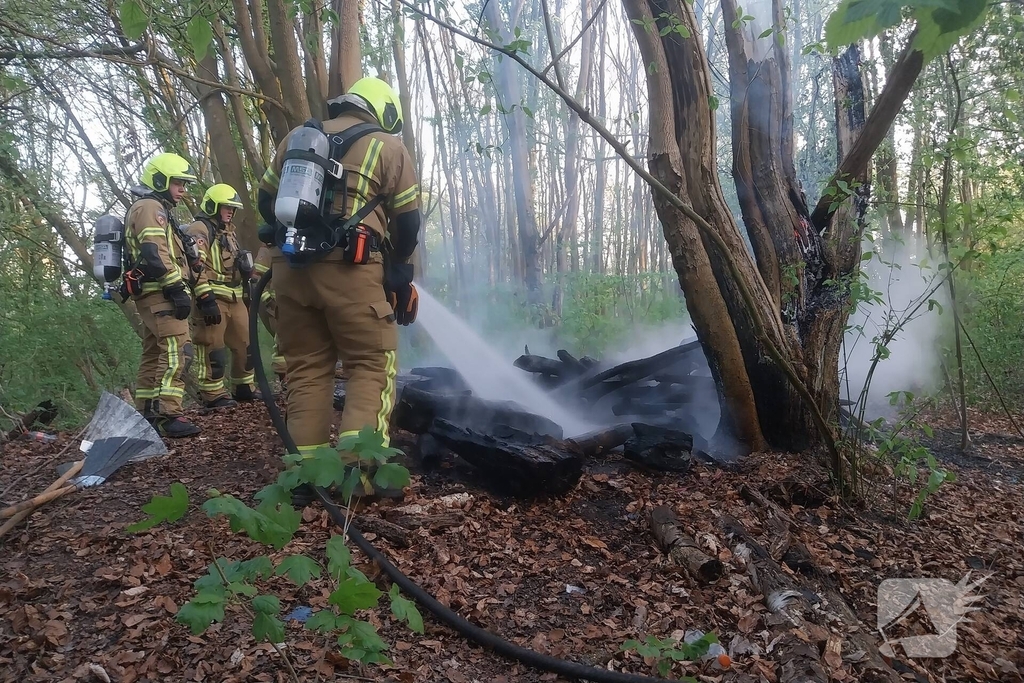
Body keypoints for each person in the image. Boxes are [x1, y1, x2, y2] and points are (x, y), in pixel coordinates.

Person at [257, 76, 421, 496]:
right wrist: (400, 269)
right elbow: (407, 221)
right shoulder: (388, 146)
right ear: (384, 112)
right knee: (370, 364)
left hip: (290, 272)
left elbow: (265, 202)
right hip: (352, 270)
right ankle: (360, 472)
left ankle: (304, 478)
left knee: (307, 369)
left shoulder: (299, 136)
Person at [123, 153, 203, 437]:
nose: (183, 189)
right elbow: (153, 252)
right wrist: (175, 288)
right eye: (178, 183)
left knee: (154, 351)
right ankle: (168, 414)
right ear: (159, 180)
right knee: (179, 350)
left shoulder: (154, 208)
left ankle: (146, 412)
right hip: (160, 293)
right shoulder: (150, 207)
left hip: (153, 293)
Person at [186, 183, 260, 408]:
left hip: (235, 293)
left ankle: (244, 386)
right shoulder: (199, 229)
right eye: (226, 207)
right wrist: (204, 297)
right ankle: (212, 394)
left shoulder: (230, 231)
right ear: (213, 206)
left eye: (232, 208)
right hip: (212, 295)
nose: (230, 211)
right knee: (212, 346)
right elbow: (194, 264)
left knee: (246, 343)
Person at [253, 245, 288, 386]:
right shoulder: (269, 248)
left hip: (298, 303)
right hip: (277, 306)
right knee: (283, 341)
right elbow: (256, 280)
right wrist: (269, 302)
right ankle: (284, 378)